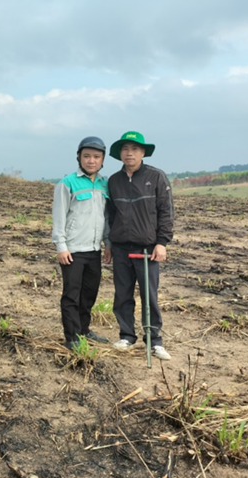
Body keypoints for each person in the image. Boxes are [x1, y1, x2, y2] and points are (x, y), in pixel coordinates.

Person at [106, 131, 174, 360]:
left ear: (143, 152)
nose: (129, 153)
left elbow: (166, 212)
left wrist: (162, 243)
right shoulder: (114, 181)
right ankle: (126, 335)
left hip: (147, 249)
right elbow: (110, 215)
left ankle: (154, 341)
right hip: (121, 248)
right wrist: (109, 244)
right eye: (125, 149)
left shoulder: (156, 177)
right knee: (122, 294)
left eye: (134, 149)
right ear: (120, 154)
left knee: (149, 295)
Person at [52, 136, 112, 350]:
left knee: (89, 293)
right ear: (78, 157)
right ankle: (72, 338)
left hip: (94, 250)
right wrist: (61, 247)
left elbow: (105, 217)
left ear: (103, 159)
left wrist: (108, 244)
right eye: (86, 156)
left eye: (96, 157)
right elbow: (58, 218)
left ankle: (84, 329)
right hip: (73, 251)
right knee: (71, 294)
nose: (91, 160)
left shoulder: (105, 184)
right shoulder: (67, 183)